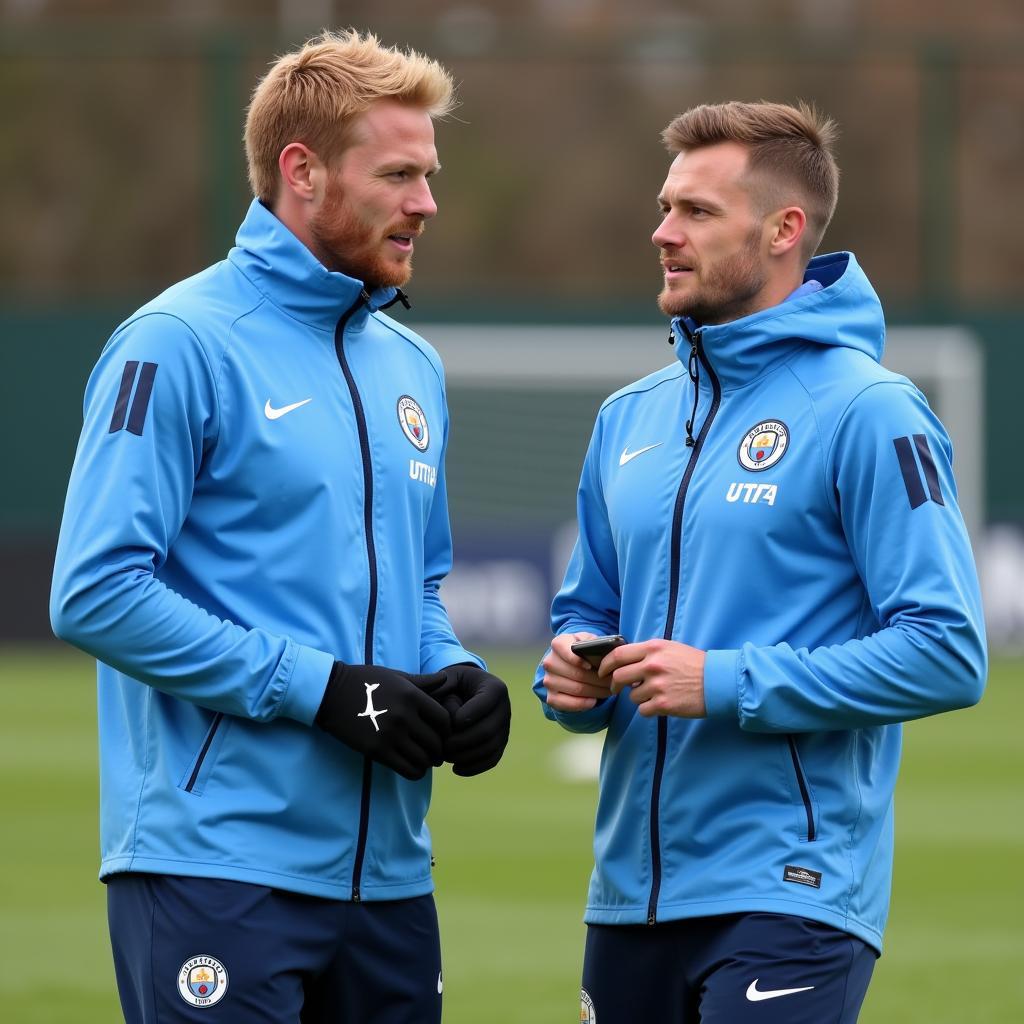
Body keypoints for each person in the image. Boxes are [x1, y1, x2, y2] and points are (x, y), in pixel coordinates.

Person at [50, 29, 510, 1024]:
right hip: (217, 867)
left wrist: (457, 675)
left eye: (428, 174)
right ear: (301, 172)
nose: (426, 202)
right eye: (398, 174)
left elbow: (419, 586)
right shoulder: (177, 344)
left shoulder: (410, 365)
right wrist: (317, 689)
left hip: (389, 880)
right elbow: (96, 589)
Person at [535, 100, 986, 1024]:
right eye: (666, 206)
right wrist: (572, 679)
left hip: (790, 891)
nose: (663, 233)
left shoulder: (872, 411)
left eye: (698, 211)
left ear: (784, 230)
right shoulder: (629, 418)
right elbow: (583, 614)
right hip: (629, 894)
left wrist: (728, 680)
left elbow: (948, 649)